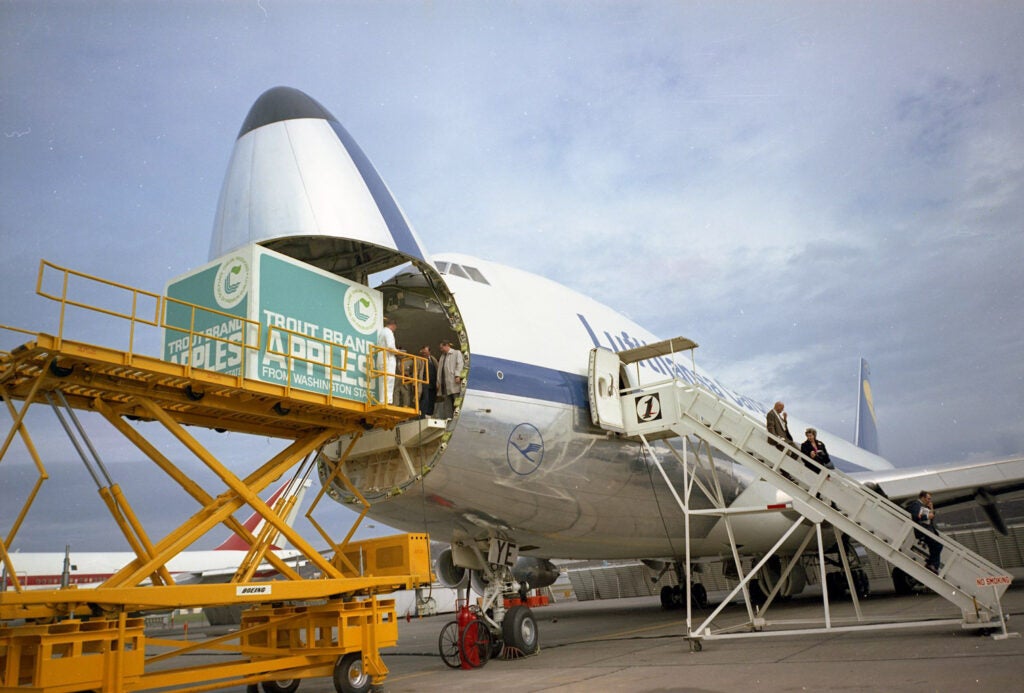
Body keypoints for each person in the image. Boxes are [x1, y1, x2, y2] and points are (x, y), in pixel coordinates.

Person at [908, 490, 943, 573]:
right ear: (922, 497)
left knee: (935, 546)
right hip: (923, 531)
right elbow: (916, 517)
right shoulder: (916, 504)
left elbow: (931, 518)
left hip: (928, 530)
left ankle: (932, 564)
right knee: (938, 545)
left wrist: (931, 508)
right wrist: (927, 516)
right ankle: (933, 565)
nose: (929, 500)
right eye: (928, 498)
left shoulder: (924, 506)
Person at [434, 339, 464, 419]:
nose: (441, 350)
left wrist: (458, 375)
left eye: (442, 348)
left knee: (456, 400)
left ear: (447, 345)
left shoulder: (456, 353)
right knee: (447, 402)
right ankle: (448, 417)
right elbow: (440, 371)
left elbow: (460, 364)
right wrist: (438, 382)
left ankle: (457, 416)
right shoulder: (442, 357)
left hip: (454, 382)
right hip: (445, 384)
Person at [377, 317, 397, 405]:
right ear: (393, 325)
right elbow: (390, 346)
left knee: (383, 380)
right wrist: (398, 352)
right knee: (389, 379)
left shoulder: (382, 332)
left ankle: (382, 400)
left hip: (381, 358)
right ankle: (387, 401)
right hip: (387, 359)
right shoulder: (388, 332)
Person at [417, 344, 438, 417]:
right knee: (425, 399)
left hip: (433, 382)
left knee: (432, 398)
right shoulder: (419, 359)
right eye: (423, 352)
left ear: (429, 352)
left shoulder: (433, 359)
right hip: (424, 382)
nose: (424, 354)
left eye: (425, 352)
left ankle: (429, 413)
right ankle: (422, 415)